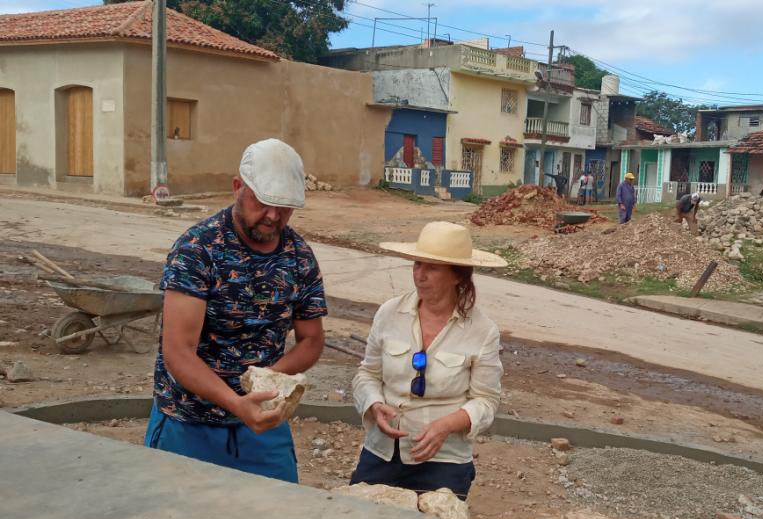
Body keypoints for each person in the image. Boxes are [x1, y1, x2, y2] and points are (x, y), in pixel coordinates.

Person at [144, 138, 327, 483]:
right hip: (188, 425)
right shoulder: (198, 249)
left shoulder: (299, 257)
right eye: (264, 201)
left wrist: (265, 381)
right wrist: (236, 402)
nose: (273, 216)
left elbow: (312, 340)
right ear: (237, 187)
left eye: (285, 207)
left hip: (262, 431)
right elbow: (178, 351)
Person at [350, 221, 506, 500]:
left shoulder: (482, 331)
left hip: (445, 460)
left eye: (432, 268)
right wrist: (374, 404)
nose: (419, 276)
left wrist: (445, 426)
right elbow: (367, 374)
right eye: (417, 265)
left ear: (457, 276)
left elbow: (486, 400)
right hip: (382, 450)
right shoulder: (389, 313)